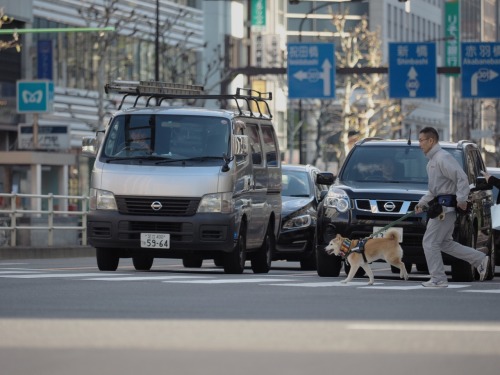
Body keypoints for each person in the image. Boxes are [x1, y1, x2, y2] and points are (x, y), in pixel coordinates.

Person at [414, 127, 489, 288]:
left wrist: (461, 199)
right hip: (442, 207)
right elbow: (433, 191)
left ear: (431, 141)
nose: (419, 144)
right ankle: (479, 259)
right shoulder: (432, 162)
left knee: (429, 242)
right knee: (445, 243)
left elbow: (461, 178)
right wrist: (422, 203)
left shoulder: (443, 158)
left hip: (445, 209)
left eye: (421, 140)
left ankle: (438, 278)